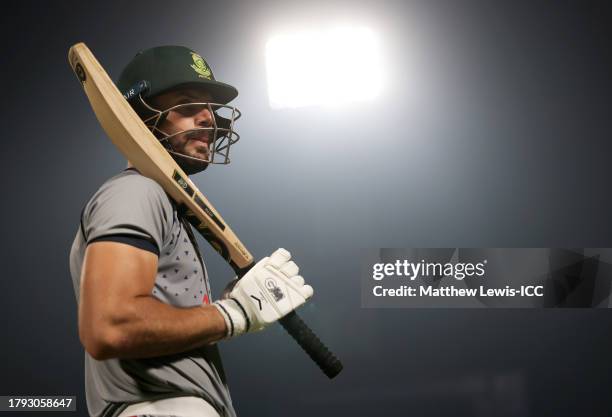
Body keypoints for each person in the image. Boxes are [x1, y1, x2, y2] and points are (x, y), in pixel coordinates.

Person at [69, 45, 314, 417]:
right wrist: (234, 314)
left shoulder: (163, 204)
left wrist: (238, 302)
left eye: (212, 111)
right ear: (138, 115)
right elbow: (109, 326)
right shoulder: (136, 191)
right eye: (186, 104)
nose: (209, 120)